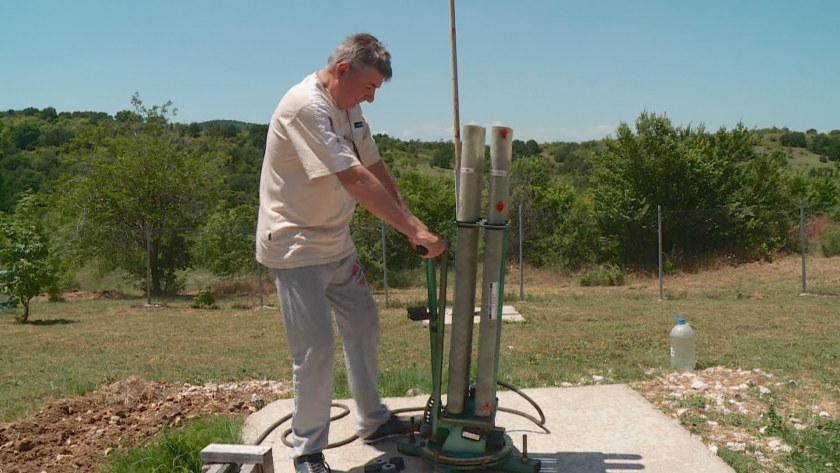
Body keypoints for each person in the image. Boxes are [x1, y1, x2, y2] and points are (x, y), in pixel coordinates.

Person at [255, 33, 447, 473]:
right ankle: (307, 451)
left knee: (363, 322)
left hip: (335, 241)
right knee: (316, 348)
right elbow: (353, 178)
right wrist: (411, 229)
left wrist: (412, 223)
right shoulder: (306, 106)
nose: (372, 98)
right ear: (343, 70)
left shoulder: (348, 106)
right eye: (369, 87)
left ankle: (372, 420)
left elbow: (374, 166)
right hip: (295, 245)